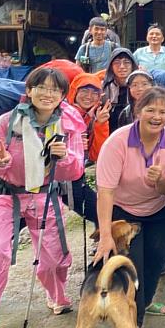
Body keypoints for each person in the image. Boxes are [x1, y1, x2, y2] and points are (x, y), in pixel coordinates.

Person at [0, 66, 85, 328]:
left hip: (44, 195)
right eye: (41, 87)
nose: (47, 94)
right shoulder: (8, 122)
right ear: (29, 91)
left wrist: (64, 158)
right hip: (6, 195)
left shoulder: (67, 126)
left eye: (55, 90)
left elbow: (76, 170)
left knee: (56, 256)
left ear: (62, 97)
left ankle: (56, 294)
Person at [94, 87, 165, 328]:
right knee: (132, 269)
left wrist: (160, 181)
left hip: (157, 210)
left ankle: (144, 302)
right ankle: (134, 326)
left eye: (163, 111)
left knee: (156, 263)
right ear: (138, 111)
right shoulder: (118, 141)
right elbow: (106, 192)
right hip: (123, 210)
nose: (157, 116)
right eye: (151, 110)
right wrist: (106, 235)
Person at [65, 72, 112, 228]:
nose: (89, 96)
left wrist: (100, 124)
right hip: (58, 179)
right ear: (74, 92)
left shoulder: (90, 116)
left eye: (94, 92)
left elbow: (97, 154)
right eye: (84, 91)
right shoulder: (62, 113)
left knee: (101, 213)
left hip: (74, 177)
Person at [102, 48, 137, 132]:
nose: (121, 66)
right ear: (111, 66)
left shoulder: (141, 87)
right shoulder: (103, 88)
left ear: (133, 65)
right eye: (117, 62)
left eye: (126, 62)